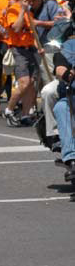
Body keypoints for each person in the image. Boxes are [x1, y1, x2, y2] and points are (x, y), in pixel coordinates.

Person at [3, 0, 42, 127]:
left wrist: (39, 47)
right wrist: (22, 11)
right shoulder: (13, 9)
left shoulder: (30, 11)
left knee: (32, 83)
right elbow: (16, 28)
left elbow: (32, 34)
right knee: (24, 82)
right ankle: (9, 110)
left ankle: (26, 114)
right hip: (18, 50)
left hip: (30, 49)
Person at [50, 39, 75, 181]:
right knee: (61, 107)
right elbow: (60, 70)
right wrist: (69, 74)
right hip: (73, 96)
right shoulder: (69, 46)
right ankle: (72, 160)